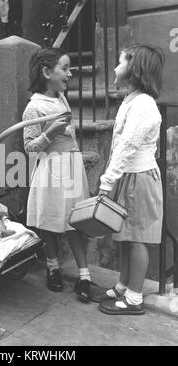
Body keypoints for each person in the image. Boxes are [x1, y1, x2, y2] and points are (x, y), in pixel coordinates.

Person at [95, 43, 165, 315]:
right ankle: (124, 286)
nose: (115, 67)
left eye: (121, 62)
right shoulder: (132, 101)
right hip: (130, 177)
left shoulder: (144, 105)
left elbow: (126, 147)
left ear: (135, 70)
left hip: (139, 179)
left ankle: (134, 299)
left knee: (137, 238)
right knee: (125, 236)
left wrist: (106, 181)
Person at [22, 47, 91, 301]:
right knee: (49, 221)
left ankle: (84, 275)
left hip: (72, 167)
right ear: (46, 72)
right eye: (65, 68)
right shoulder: (34, 107)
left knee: (75, 220)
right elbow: (29, 147)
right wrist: (49, 133)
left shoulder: (61, 96)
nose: (70, 73)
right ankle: (53, 268)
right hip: (51, 168)